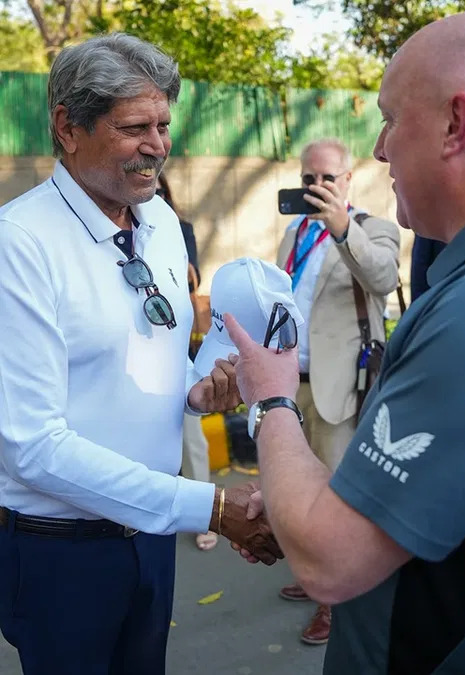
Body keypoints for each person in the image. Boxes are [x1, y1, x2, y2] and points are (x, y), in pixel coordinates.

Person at [223, 11, 465, 673]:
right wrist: (309, 497)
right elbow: (455, 475)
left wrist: (270, 401)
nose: (382, 149)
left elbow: (331, 561)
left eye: (392, 118)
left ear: (457, 122)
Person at [0, 33, 280, 675]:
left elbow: (147, 358)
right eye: (134, 127)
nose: (157, 145)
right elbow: (32, 447)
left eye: (163, 124)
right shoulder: (20, 244)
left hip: (152, 538)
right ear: (68, 128)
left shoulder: (157, 227)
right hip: (60, 556)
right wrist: (208, 506)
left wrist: (196, 387)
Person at [272, 137, 402, 645]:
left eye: (328, 178)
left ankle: (338, 601)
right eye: (309, 179)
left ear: (348, 179)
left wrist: (341, 228)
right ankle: (316, 575)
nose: (318, 187)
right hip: (291, 380)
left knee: (339, 494)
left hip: (339, 385)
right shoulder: (293, 231)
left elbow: (384, 277)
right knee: (300, 488)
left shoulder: (373, 227)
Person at [157, 172, 218, 552]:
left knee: (192, 436)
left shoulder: (179, 228)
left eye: (162, 190)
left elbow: (191, 279)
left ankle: (203, 515)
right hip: (137, 350)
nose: (155, 195)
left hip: (177, 344)